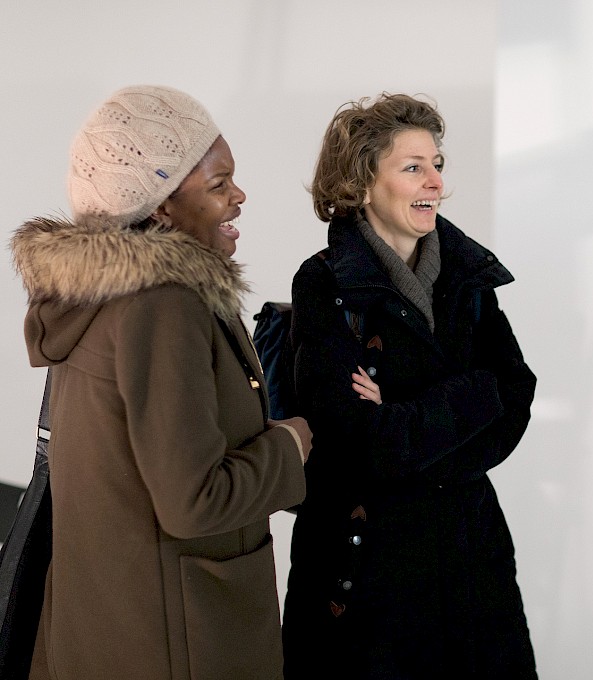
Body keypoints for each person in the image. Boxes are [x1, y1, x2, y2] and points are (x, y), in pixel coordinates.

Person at [9, 85, 311, 680]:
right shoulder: (163, 307)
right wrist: (290, 446)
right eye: (218, 183)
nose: (239, 196)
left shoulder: (97, 298)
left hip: (113, 627)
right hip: (180, 640)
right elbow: (194, 501)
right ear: (162, 207)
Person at [281, 93, 538, 679]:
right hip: (366, 568)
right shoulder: (324, 286)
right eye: (413, 167)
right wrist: (470, 397)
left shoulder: (466, 275)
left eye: (438, 164)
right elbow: (353, 439)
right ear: (363, 183)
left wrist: (403, 416)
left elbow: (515, 394)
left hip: (470, 560)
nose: (436, 183)